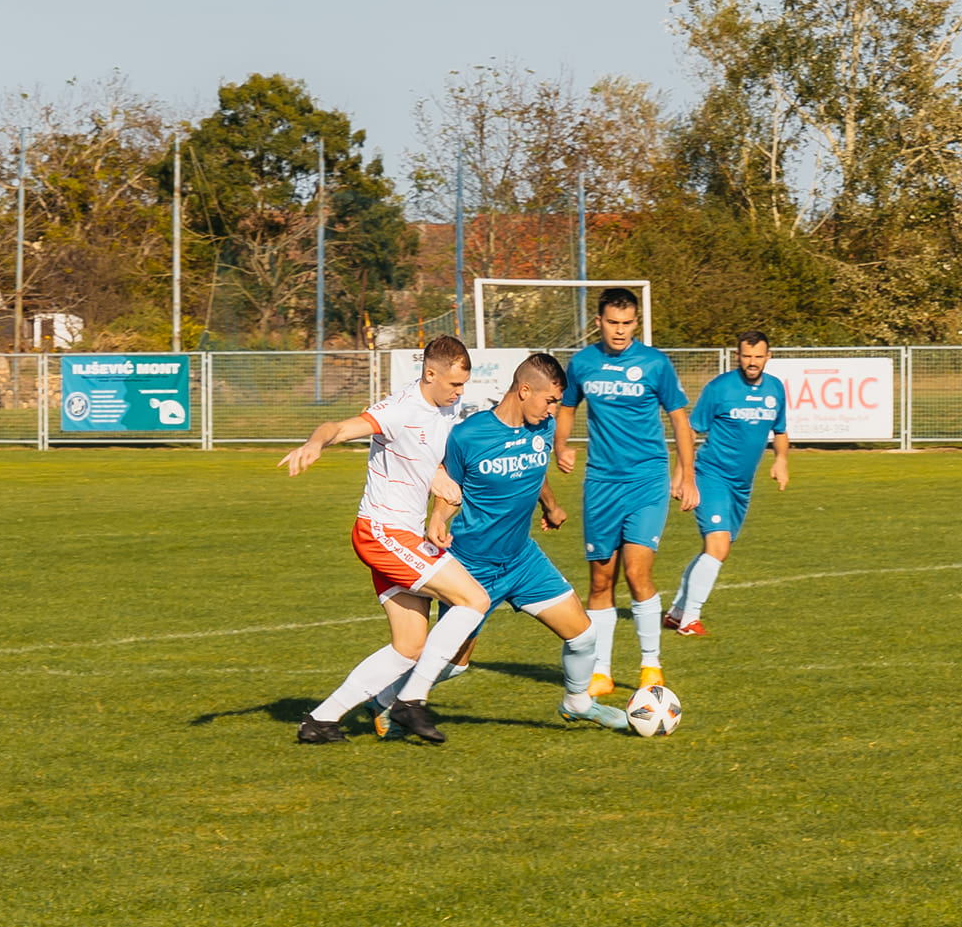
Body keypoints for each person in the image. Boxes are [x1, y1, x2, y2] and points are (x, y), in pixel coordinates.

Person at [280, 335, 488, 745]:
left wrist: (438, 479)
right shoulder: (399, 409)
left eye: (463, 385)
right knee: (474, 600)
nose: (460, 393)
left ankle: (319, 721)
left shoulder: (447, 408)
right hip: (381, 532)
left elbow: (422, 457)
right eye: (454, 385)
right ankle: (411, 701)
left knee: (408, 647)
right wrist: (314, 442)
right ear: (430, 374)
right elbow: (338, 427)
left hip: (406, 534)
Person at [424, 353, 630, 733]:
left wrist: (550, 506)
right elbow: (449, 487)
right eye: (550, 400)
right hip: (473, 566)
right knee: (453, 664)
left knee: (583, 634)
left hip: (522, 561)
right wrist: (437, 518)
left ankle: (577, 702)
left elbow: (534, 468)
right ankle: (387, 697)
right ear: (523, 391)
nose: (555, 409)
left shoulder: (543, 429)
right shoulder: (469, 435)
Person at [554, 288, 697, 697]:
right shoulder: (582, 363)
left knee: (637, 573)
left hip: (647, 481)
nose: (620, 331)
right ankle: (601, 672)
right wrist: (562, 444)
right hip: (601, 484)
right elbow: (566, 407)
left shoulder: (655, 364)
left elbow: (679, 420)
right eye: (612, 322)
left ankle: (651, 666)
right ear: (598, 322)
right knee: (601, 582)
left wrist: (686, 475)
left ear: (636, 322)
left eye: (627, 323)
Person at [665, 331, 790, 636]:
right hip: (712, 476)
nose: (752, 362)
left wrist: (781, 460)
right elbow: (691, 431)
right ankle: (689, 621)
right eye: (747, 356)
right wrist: (681, 476)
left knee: (719, 549)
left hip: (741, 485)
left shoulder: (775, 389)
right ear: (738, 355)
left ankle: (676, 612)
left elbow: (781, 430)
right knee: (717, 547)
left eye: (758, 356)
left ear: (768, 356)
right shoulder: (720, 388)